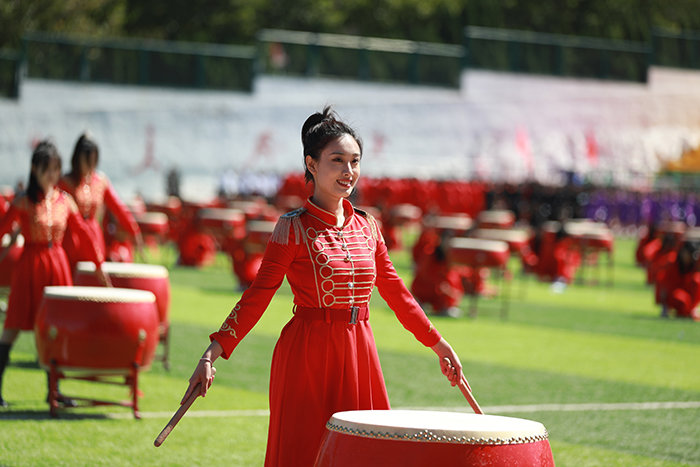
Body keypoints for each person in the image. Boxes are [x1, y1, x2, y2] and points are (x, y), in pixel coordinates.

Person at [182, 107, 468, 466]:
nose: (348, 172)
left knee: (366, 451)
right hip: (307, 354)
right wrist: (213, 352)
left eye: (355, 161)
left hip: (360, 349)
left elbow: (395, 291)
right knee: (305, 453)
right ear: (312, 165)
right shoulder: (291, 228)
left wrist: (438, 344)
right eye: (337, 161)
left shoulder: (369, 226)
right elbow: (258, 294)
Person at [0, 140, 110, 407]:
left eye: (55, 169)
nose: (51, 174)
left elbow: (84, 234)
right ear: (35, 170)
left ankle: (55, 391)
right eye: (46, 169)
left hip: (57, 265)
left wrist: (99, 266)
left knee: (55, 330)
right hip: (29, 267)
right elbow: (2, 228)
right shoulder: (24, 201)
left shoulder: (65, 201)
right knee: (12, 328)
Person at [58, 132, 142, 274]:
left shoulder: (100, 181)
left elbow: (118, 207)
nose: (90, 166)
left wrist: (134, 230)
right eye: (87, 161)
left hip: (93, 237)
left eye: (93, 161)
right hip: (71, 237)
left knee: (93, 277)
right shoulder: (65, 182)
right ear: (77, 159)